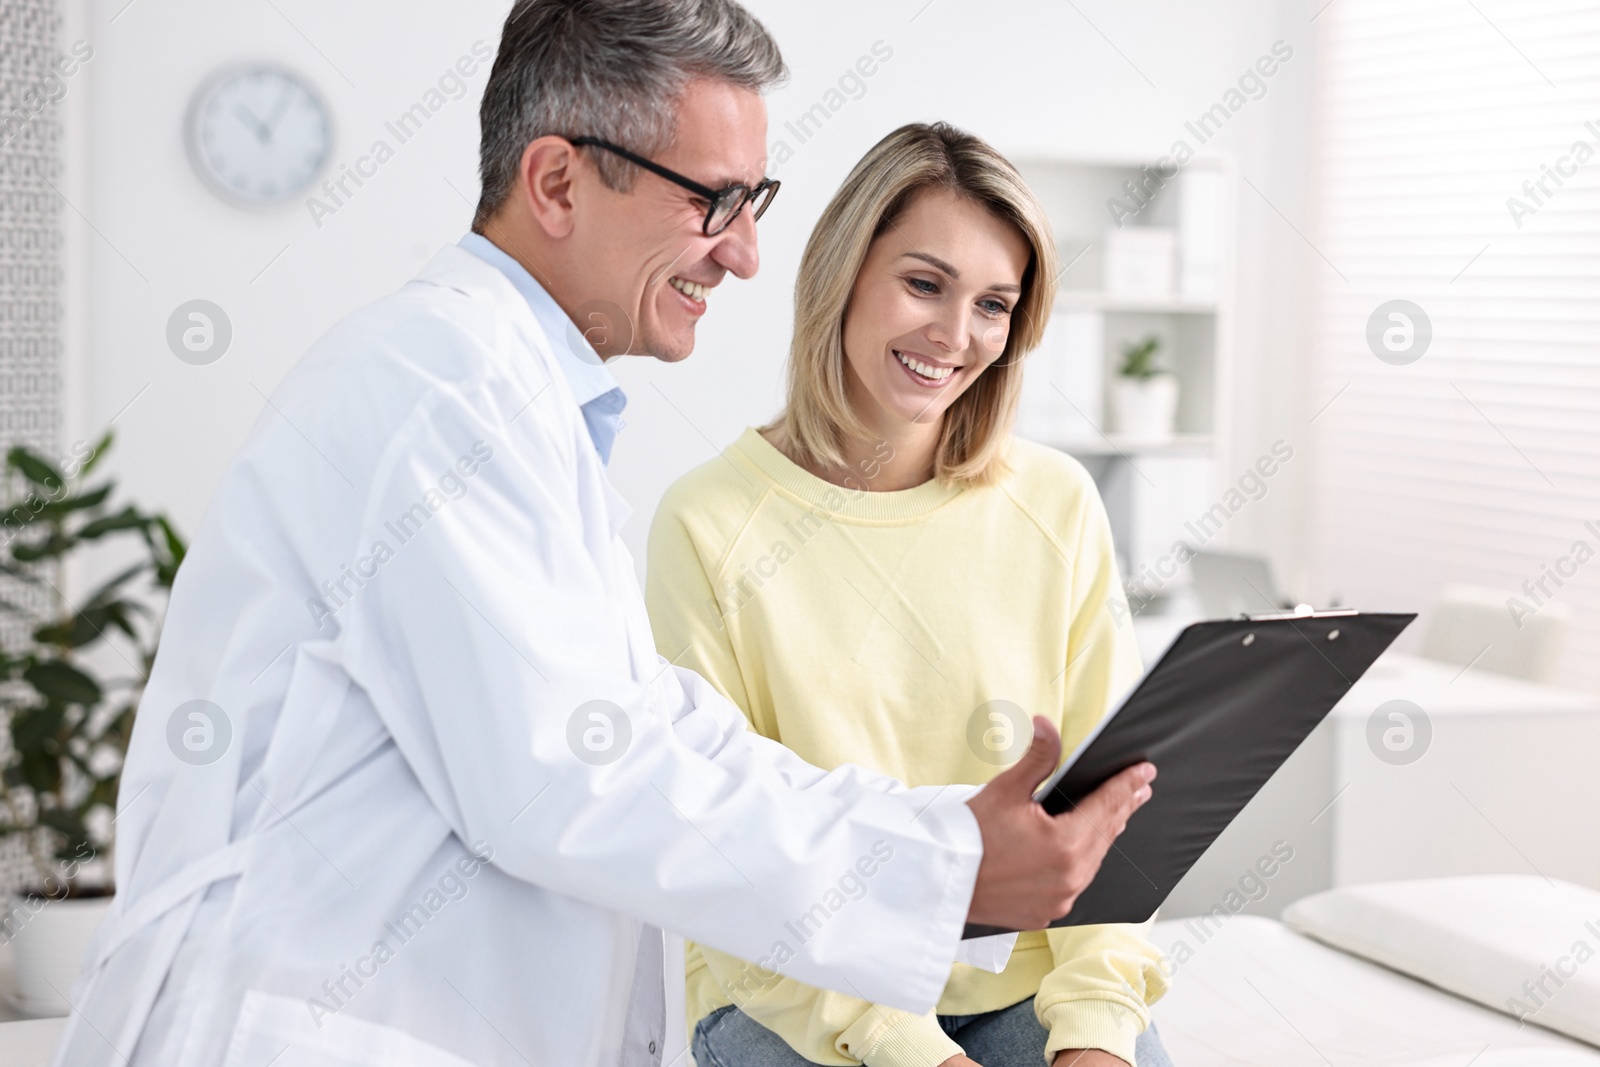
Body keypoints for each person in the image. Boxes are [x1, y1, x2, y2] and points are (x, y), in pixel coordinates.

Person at [49, 5, 1156, 1067]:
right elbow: (570, 782)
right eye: (714, 200)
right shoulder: (437, 387)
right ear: (558, 181)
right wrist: (944, 870)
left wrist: (946, 830)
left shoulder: (518, 407)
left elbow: (672, 737)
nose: (745, 254)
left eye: (754, 199)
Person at [646, 123, 1175, 1067]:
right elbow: (724, 862)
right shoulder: (706, 525)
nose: (955, 335)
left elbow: (1116, 822)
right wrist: (913, 1053)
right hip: (794, 997)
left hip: (1022, 987)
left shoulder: (1054, 503)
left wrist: (1096, 1034)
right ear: (842, 276)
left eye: (994, 304)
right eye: (924, 283)